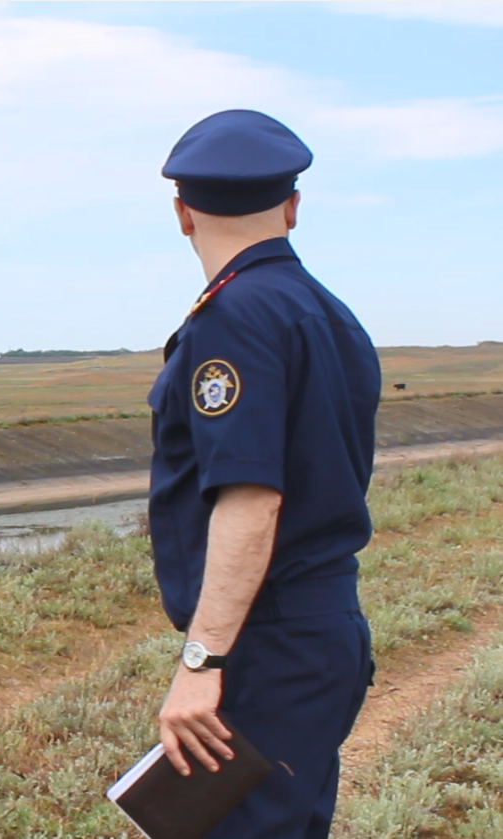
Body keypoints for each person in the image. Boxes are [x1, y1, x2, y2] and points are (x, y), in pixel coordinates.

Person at [148, 109, 380, 839]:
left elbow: (251, 498)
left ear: (182, 214)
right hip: (320, 629)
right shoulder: (326, 313)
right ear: (292, 207)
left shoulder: (234, 316)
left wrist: (202, 659)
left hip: (268, 639)